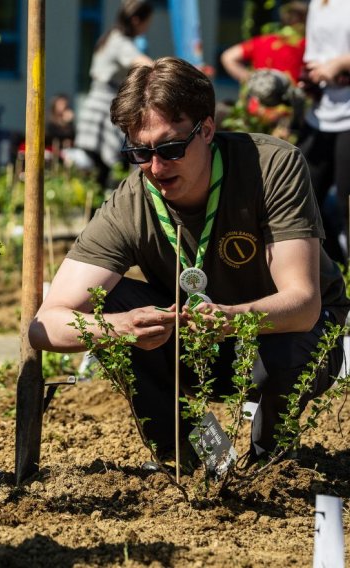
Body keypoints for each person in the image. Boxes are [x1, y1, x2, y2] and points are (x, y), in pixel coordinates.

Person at [29, 57, 350, 469]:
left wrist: (231, 318)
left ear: (208, 129)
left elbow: (303, 304)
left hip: (290, 336)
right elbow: (45, 324)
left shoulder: (270, 166)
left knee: (288, 345)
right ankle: (192, 458)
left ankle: (269, 462)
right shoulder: (130, 204)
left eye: (171, 148)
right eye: (140, 152)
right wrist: (120, 328)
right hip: (197, 342)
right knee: (112, 304)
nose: (156, 167)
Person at [75, 0, 153, 189]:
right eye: (147, 22)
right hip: (104, 106)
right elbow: (145, 64)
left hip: (96, 103)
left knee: (99, 167)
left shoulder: (110, 37)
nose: (148, 27)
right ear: (136, 20)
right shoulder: (120, 42)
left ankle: (98, 199)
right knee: (108, 165)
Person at [296, 0, 350, 263]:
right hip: (320, 114)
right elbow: (313, 54)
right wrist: (311, 77)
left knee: (346, 203)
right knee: (301, 196)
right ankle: (332, 270)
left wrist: (340, 64)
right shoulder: (319, 3)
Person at [220, 1, 308, 85]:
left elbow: (228, 57)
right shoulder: (304, 44)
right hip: (291, 94)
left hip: (261, 93)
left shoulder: (263, 41)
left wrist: (251, 79)